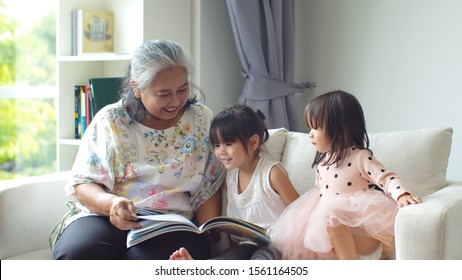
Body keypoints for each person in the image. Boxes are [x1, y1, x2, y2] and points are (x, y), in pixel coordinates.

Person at [51, 39, 226, 260]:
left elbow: (208, 185)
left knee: (153, 262)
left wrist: (209, 230)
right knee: (78, 252)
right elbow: (84, 183)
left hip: (170, 222)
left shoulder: (202, 120)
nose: (175, 100)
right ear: (137, 88)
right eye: (163, 94)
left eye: (182, 89)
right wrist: (111, 204)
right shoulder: (111, 120)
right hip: (105, 215)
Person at [257, 90, 421, 260]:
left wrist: (402, 194)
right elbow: (320, 193)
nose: (311, 134)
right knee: (321, 224)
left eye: (316, 127)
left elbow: (386, 178)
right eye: (310, 128)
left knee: (331, 220)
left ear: (341, 128)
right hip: (334, 234)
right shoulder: (322, 163)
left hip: (363, 232)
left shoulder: (360, 157)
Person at [169, 104, 300, 260]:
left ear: (253, 143)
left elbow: (301, 211)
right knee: (229, 257)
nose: (221, 152)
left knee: (263, 258)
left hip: (275, 246)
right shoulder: (230, 177)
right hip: (246, 245)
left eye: (228, 144)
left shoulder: (272, 173)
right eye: (217, 145)